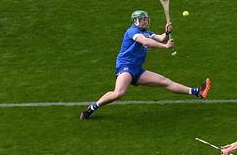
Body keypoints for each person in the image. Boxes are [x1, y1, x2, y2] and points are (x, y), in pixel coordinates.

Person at [80, 10, 211, 119]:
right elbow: (146, 42)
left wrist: (166, 32)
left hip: (137, 69)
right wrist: (165, 47)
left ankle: (197, 92)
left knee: (165, 81)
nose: (145, 21)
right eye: (142, 19)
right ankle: (91, 109)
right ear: (135, 21)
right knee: (119, 93)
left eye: (146, 19)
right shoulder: (132, 31)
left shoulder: (147, 32)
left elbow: (160, 38)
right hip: (125, 66)